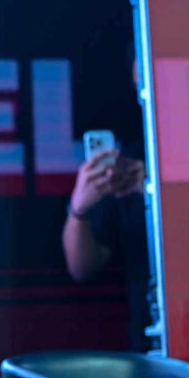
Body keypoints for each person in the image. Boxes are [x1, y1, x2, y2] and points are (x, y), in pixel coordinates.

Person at [62, 52, 151, 352]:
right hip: (148, 329)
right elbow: (82, 267)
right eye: (138, 83)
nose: (144, 93)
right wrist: (79, 209)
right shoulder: (128, 157)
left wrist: (151, 188)